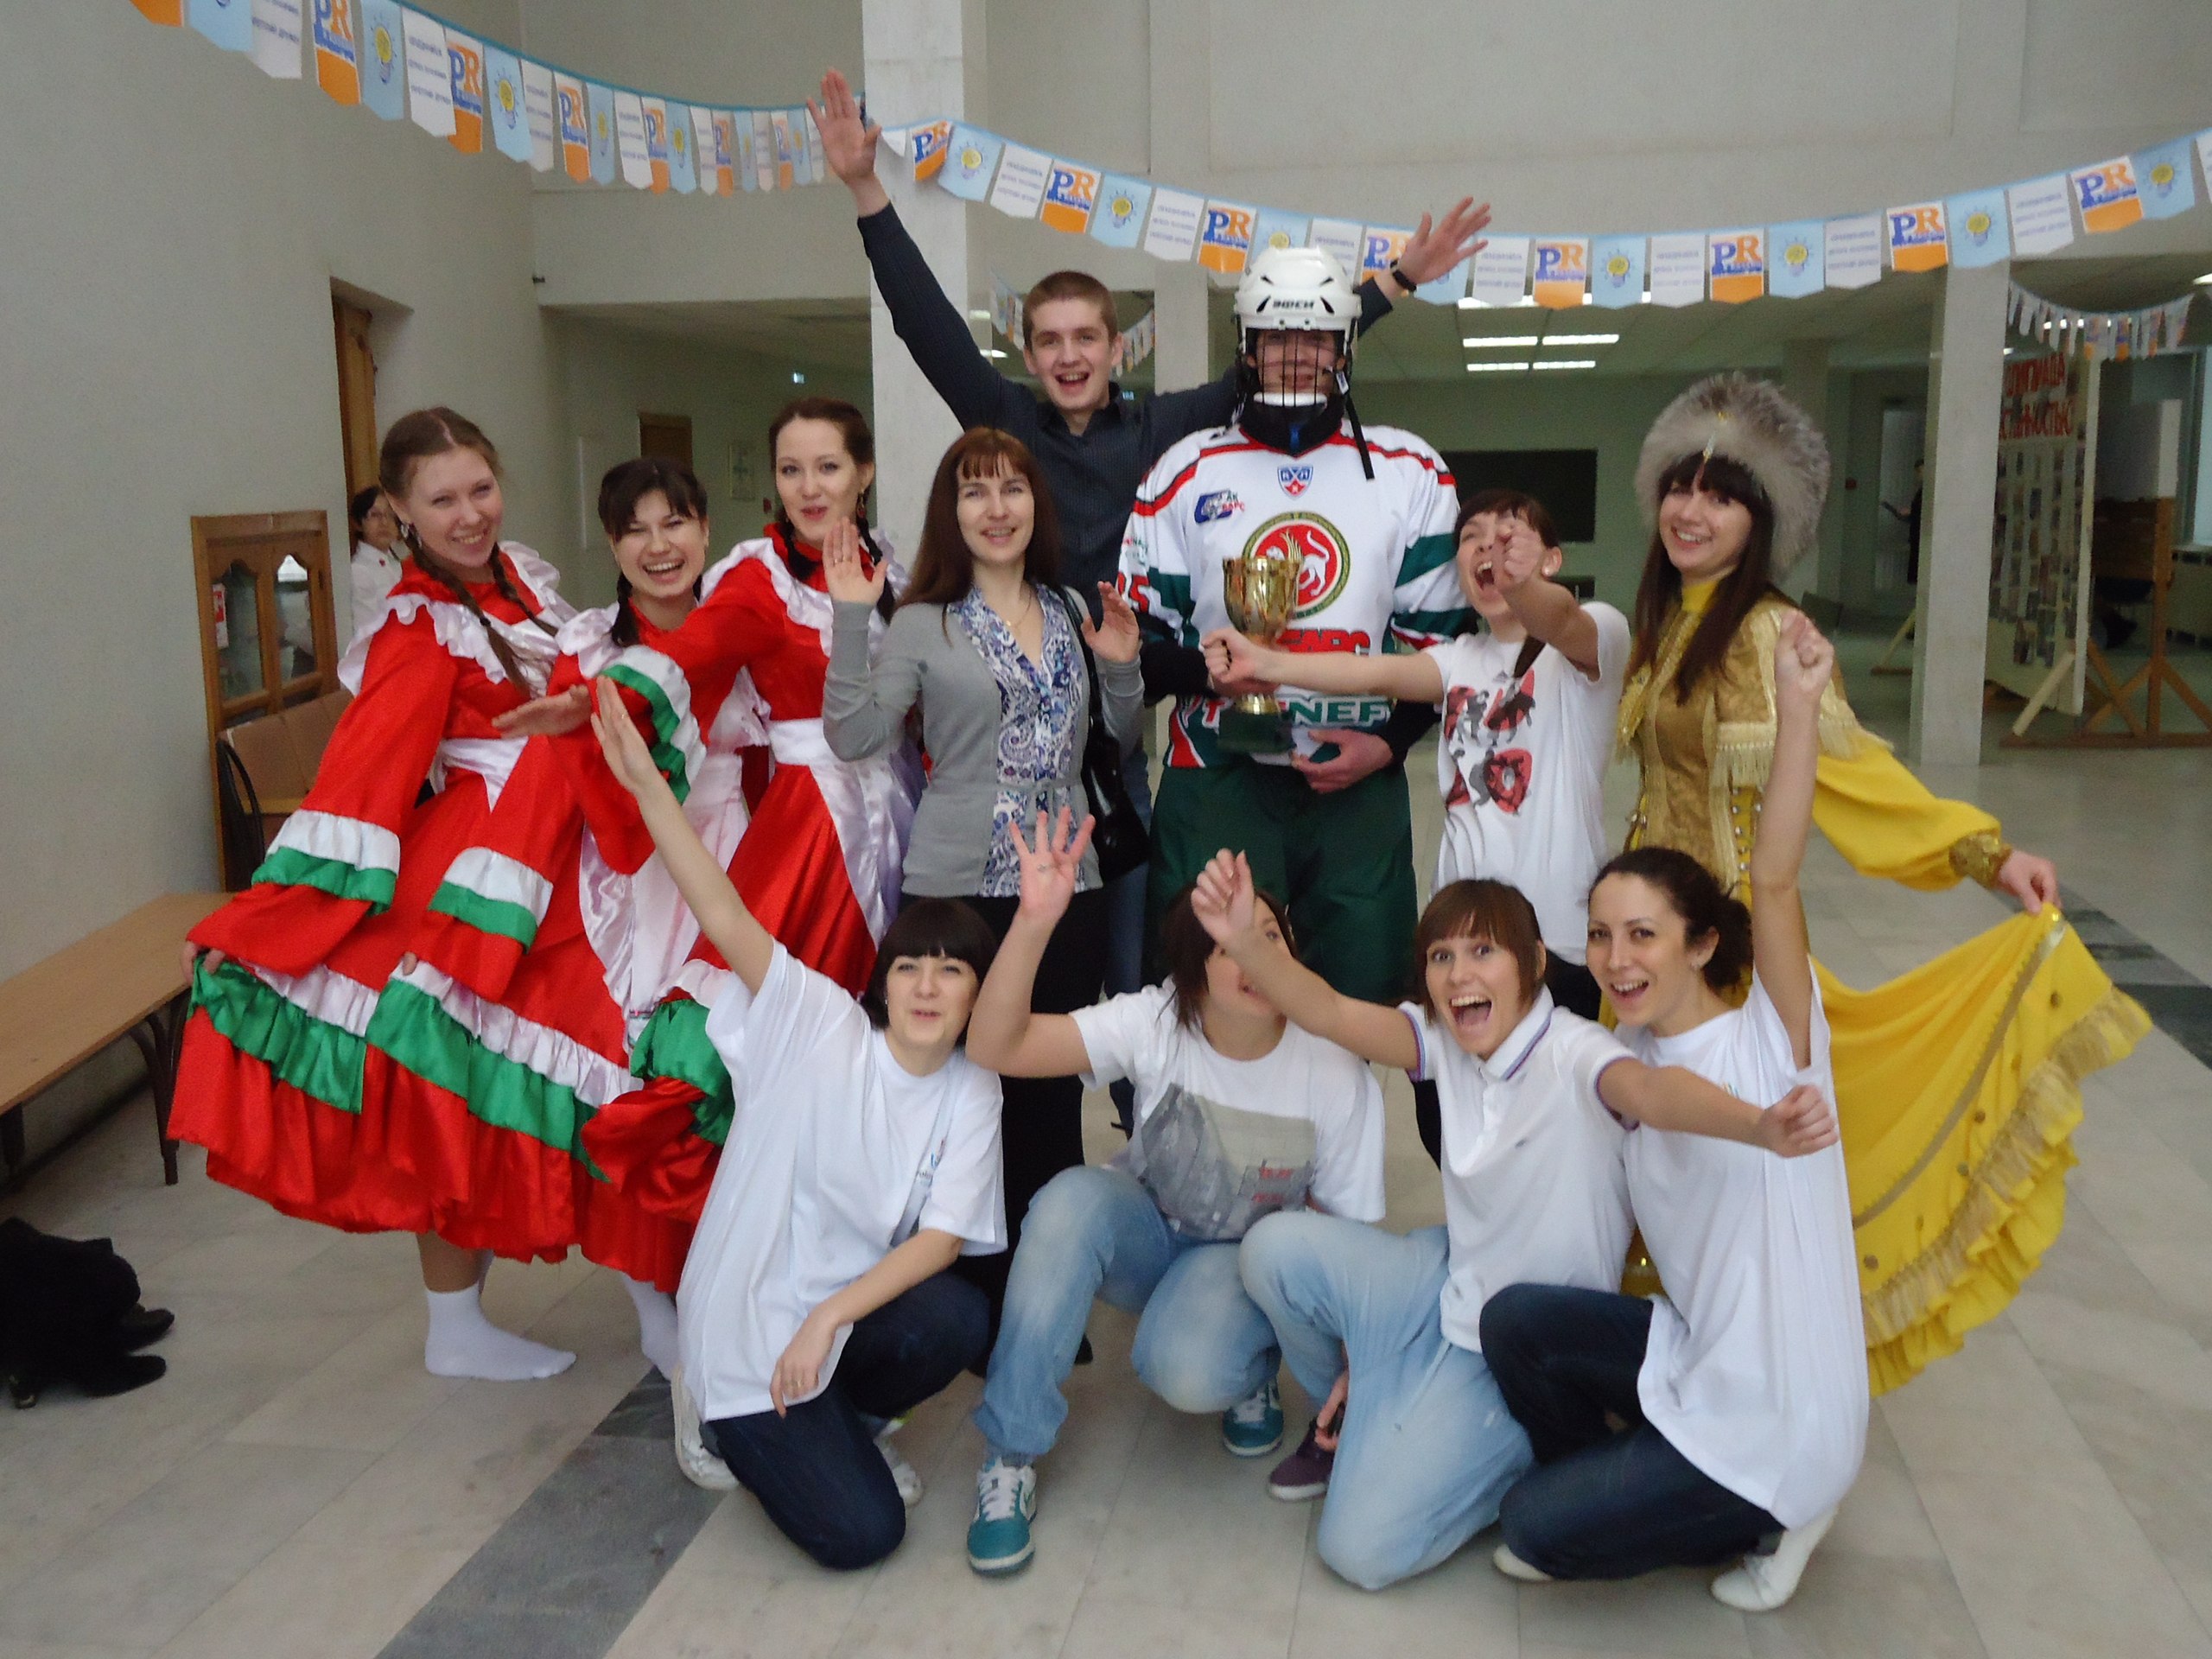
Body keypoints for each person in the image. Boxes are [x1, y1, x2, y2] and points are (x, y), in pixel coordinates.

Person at [810, 67, 1490, 1125]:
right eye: (1049, 341)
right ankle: (1130, 1143)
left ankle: (1166, 1128)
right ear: (1027, 355)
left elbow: (1295, 350)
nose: (1069, 356)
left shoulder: (1174, 431)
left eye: (1087, 337)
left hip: (1123, 734)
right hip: (1056, 723)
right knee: (1146, 979)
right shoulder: (1012, 423)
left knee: (1137, 962)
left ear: (1116, 347)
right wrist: (867, 193)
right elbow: (927, 327)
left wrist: (1394, 280)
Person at [1618, 373, 2147, 1392]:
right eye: (1680, 487)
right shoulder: (1666, 618)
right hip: (1641, 949)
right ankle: (1667, 1362)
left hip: (1729, 958)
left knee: (1732, 1168)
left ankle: (1752, 1375)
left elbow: (1856, 774)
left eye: (1722, 496)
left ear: (1762, 521)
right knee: (1656, 1161)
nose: (1692, 510)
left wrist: (1986, 855)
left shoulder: (1772, 634)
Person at [1185, 853, 1834, 1590]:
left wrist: (1758, 1125)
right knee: (1273, 1249)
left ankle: (1421, 1426)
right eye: (1441, 956)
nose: (1459, 974)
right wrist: (1245, 943)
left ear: (1534, 963)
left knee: (1359, 1550)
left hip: (1518, 1346)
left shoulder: (1577, 1052)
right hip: (1446, 1277)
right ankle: (1368, 1393)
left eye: (1483, 951)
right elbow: (1328, 1012)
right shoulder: (1442, 1041)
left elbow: (1654, 1094)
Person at [174, 408, 584, 1382]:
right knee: (448, 1085)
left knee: (549, 1079)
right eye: (441, 500)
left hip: (567, 847)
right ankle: (458, 1324)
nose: (469, 514)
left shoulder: (523, 578)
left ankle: (627, 1304)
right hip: (486, 870)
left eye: (480, 488)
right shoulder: (414, 627)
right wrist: (259, 920)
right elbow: (360, 782)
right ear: (398, 510)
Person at [1481, 612, 1866, 1611]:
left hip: (1781, 1421)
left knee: (1530, 1530)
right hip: (1699, 1361)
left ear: (1700, 945)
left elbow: (1773, 877)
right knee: (1516, 1323)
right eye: (1600, 936)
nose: (1616, 960)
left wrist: (1796, 706)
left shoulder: (1776, 1042)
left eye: (1643, 935)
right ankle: (1636, 1482)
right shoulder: (1625, 1062)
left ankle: (1773, 1511)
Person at [588, 677, 1004, 1571]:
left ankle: (841, 1418)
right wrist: (649, 789)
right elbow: (722, 911)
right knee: (864, 1537)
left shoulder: (972, 1090)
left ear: (977, 994)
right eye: (910, 968)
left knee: (958, 1317)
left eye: (952, 972)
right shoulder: (816, 1023)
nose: (927, 987)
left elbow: (941, 1242)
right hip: (745, 1328)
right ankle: (716, 1417)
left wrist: (826, 1323)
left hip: (829, 1319)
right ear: (883, 982)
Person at [365, 458, 756, 1380]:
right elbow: (370, 770)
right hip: (587, 875)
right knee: (616, 1090)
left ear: (706, 528)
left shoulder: (723, 617)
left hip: (729, 870)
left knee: (729, 1087)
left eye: (675, 523)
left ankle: (726, 1286)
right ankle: (653, 1303)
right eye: (635, 530)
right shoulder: (484, 630)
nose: (658, 546)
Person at [957, 811, 1387, 1577]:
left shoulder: (1333, 1068)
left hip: (1247, 1265)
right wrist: (1033, 922)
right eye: (1227, 944)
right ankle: (1010, 1454)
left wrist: (1357, 1379)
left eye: (1268, 937)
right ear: (1192, 971)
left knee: (1180, 1367)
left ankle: (1250, 1367)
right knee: (1064, 1205)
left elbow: (1352, 1248)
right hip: (1152, 1233)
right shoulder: (1158, 1020)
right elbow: (997, 1046)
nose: (1252, 956)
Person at [823, 429, 1142, 1333]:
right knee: (966, 1095)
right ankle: (973, 1299)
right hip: (960, 888)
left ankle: (1045, 1305)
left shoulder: (1069, 606)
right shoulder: (922, 621)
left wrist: (1121, 670)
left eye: (1012, 489)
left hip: (1066, 883)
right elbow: (854, 737)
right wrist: (851, 617)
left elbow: (1115, 741)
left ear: (1037, 505)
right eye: (974, 491)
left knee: (1049, 1094)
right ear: (950, 513)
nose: (996, 508)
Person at [1205, 487, 1629, 1165]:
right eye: (1473, 538)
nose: (1488, 548)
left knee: (1560, 1142)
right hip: (1458, 941)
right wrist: (1269, 665)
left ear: (1550, 559)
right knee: (1450, 1130)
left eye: (1509, 536)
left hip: (1556, 942)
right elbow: (1370, 672)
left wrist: (1523, 585)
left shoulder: (1592, 640)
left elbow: (1561, 618)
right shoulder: (1459, 660)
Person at [1122, 244, 1471, 1005]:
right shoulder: (1183, 471)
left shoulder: (1410, 471)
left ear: (1344, 347)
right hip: (1218, 769)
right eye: (1277, 337)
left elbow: (1445, 651)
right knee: (1204, 993)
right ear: (1247, 347)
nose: (1296, 356)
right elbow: (1136, 647)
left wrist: (1391, 742)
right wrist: (1213, 673)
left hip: (1358, 776)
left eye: (1315, 338)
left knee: (1360, 998)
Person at [347, 484, 404, 644]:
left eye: (390, 515)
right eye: (375, 515)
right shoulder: (358, 570)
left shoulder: (397, 565)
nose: (384, 522)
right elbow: (366, 631)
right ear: (358, 523)